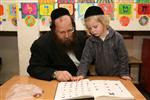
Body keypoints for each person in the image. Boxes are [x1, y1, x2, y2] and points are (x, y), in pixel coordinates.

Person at [27, 8, 88, 81]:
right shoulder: (42, 44)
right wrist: (55, 73)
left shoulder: (82, 37)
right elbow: (33, 68)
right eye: (62, 32)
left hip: (84, 81)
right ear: (53, 30)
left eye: (69, 30)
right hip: (60, 84)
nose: (67, 36)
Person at [73, 6, 131, 81]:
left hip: (117, 76)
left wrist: (124, 74)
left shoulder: (117, 38)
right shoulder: (90, 42)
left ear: (104, 22)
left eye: (95, 27)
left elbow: (123, 58)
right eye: (90, 28)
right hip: (100, 76)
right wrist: (81, 74)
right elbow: (85, 60)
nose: (92, 31)